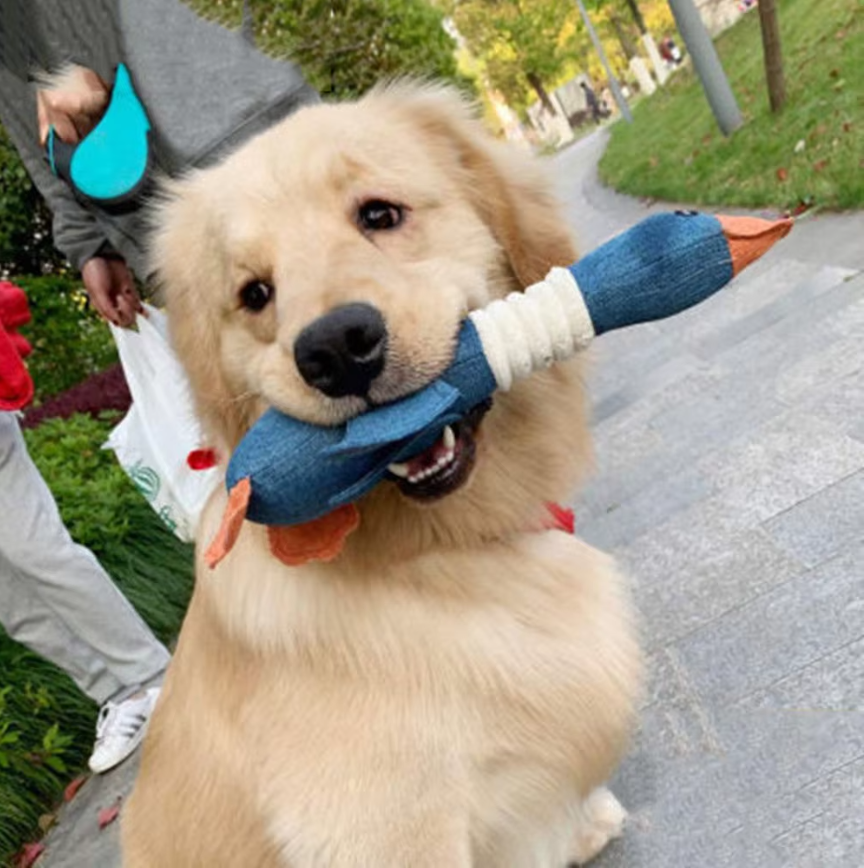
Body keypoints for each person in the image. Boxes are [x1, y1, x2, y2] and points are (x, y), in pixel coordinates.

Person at [0, 0, 318, 771]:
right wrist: (88, 247)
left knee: (328, 386)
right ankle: (337, 647)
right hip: (157, 239)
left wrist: (95, 66)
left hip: (250, 177)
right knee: (263, 429)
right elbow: (40, 136)